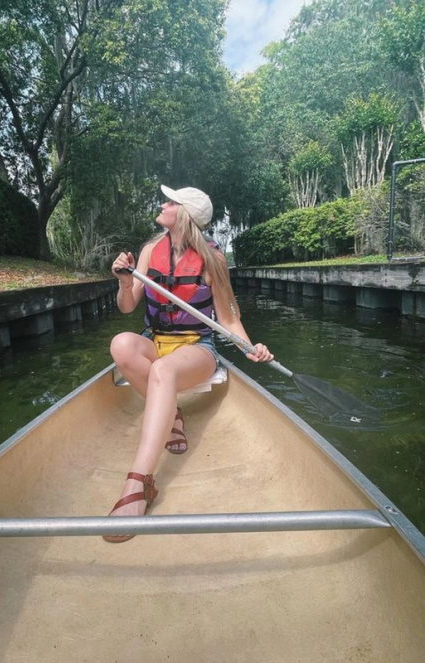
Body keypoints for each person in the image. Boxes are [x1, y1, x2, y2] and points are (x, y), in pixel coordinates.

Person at [105, 185, 273, 543]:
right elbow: (127, 307)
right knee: (121, 344)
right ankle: (174, 417)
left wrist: (249, 347)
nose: (162, 204)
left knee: (164, 372)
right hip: (158, 340)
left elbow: (227, 318)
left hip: (197, 346)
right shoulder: (151, 250)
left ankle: (139, 483)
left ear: (185, 213)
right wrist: (124, 281)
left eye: (170, 201)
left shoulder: (213, 259)